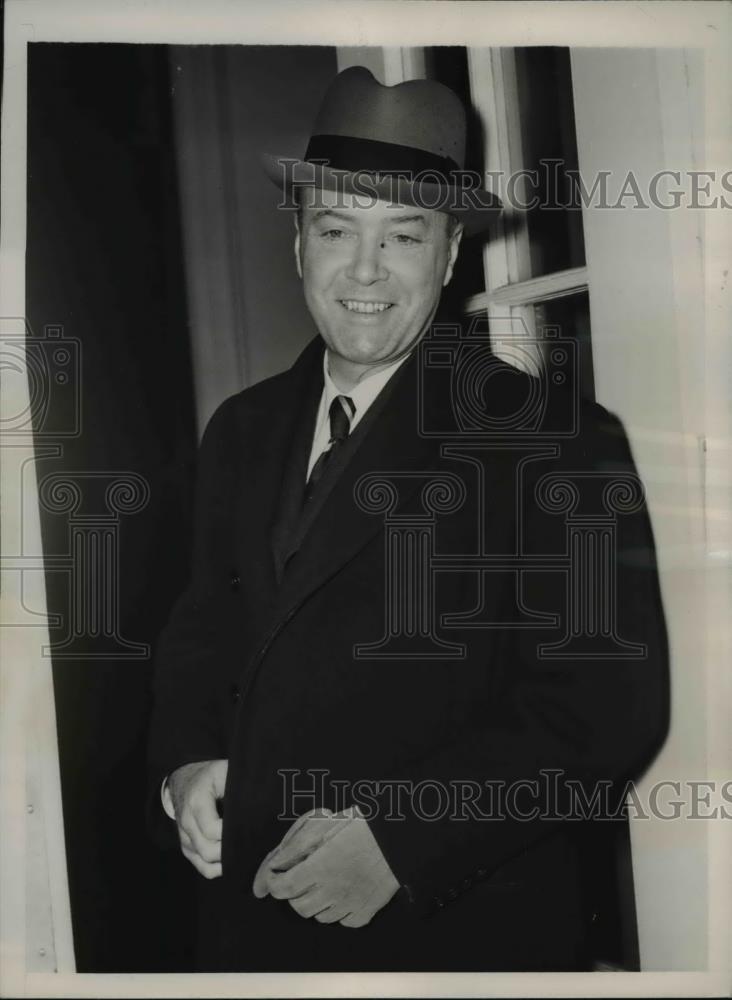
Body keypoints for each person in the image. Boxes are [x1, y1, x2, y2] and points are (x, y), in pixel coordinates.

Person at [148, 66, 669, 972]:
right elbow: (201, 634)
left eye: (403, 235)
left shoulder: (557, 439)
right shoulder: (240, 428)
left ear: (450, 254)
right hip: (249, 933)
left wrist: (402, 841)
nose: (364, 271)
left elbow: (603, 710)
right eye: (337, 228)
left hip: (454, 936)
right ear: (298, 245)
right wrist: (185, 766)